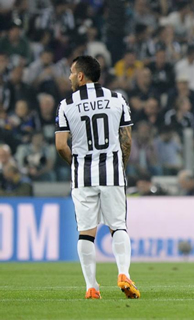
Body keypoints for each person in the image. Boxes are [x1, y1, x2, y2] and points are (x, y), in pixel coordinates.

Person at [55, 55, 140, 300]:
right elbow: (127, 140)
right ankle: (123, 273)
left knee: (85, 232)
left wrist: (76, 164)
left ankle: (91, 287)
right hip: (112, 173)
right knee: (118, 226)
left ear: (81, 75)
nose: (70, 76)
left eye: (72, 72)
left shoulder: (66, 104)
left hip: (83, 176)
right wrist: (119, 168)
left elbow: (61, 145)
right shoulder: (117, 99)